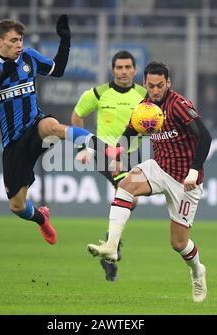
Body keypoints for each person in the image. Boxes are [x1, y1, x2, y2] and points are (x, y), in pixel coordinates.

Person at [0, 15, 112, 245]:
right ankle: (42, 219)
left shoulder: (28, 56)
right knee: (17, 206)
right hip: (13, 142)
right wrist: (8, 69)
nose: (19, 44)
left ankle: (99, 145)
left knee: (52, 126)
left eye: (20, 39)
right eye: (13, 40)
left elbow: (57, 69)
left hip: (34, 124)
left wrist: (65, 41)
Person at [87, 61, 212, 302]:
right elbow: (129, 133)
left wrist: (195, 170)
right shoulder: (144, 108)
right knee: (125, 187)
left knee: (178, 244)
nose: (155, 90)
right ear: (144, 84)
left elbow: (205, 136)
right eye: (151, 86)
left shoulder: (179, 106)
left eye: (160, 85)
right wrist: (117, 153)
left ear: (168, 83)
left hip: (185, 181)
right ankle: (112, 245)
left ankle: (198, 271)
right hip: (159, 168)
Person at [71, 50, 147, 281]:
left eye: (128, 67)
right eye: (119, 67)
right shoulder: (98, 93)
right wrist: (83, 148)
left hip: (133, 154)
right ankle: (112, 244)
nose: (123, 71)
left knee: (130, 199)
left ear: (135, 70)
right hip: (105, 153)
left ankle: (110, 247)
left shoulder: (144, 95)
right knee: (128, 195)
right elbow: (77, 117)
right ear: (113, 70)